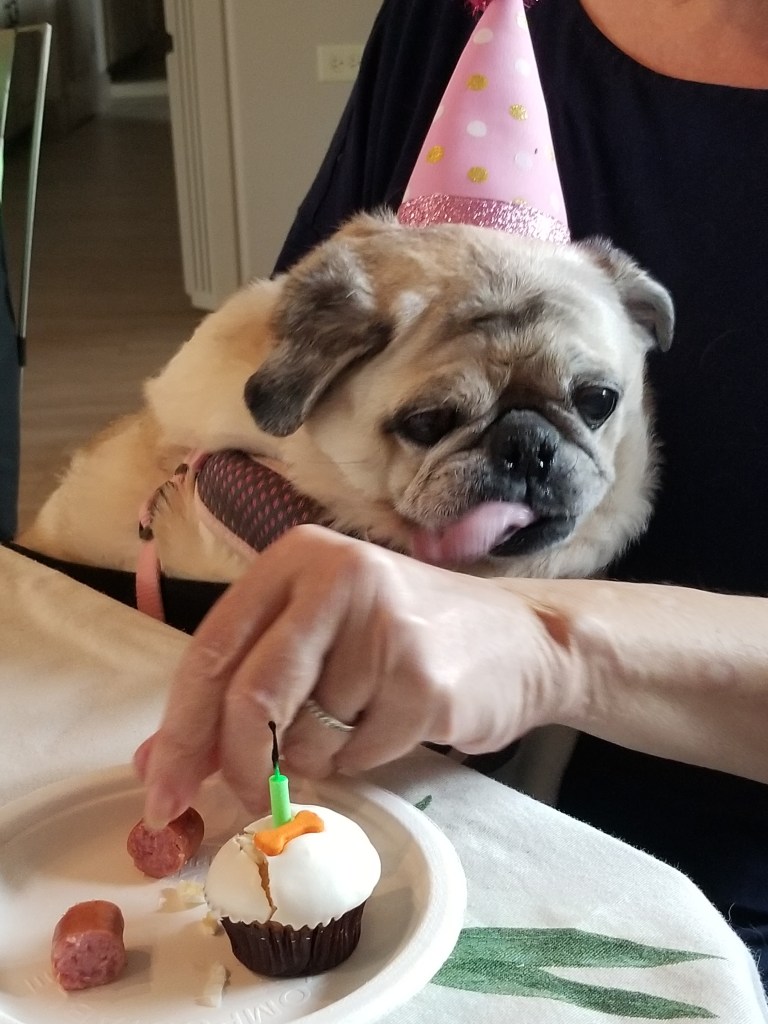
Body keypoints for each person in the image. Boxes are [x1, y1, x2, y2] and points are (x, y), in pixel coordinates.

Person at [136, 0, 768, 986]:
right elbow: (278, 408)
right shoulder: (456, 14)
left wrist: (546, 641)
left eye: (592, 402)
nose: (525, 458)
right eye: (437, 420)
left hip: (710, 891)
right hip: (361, 820)